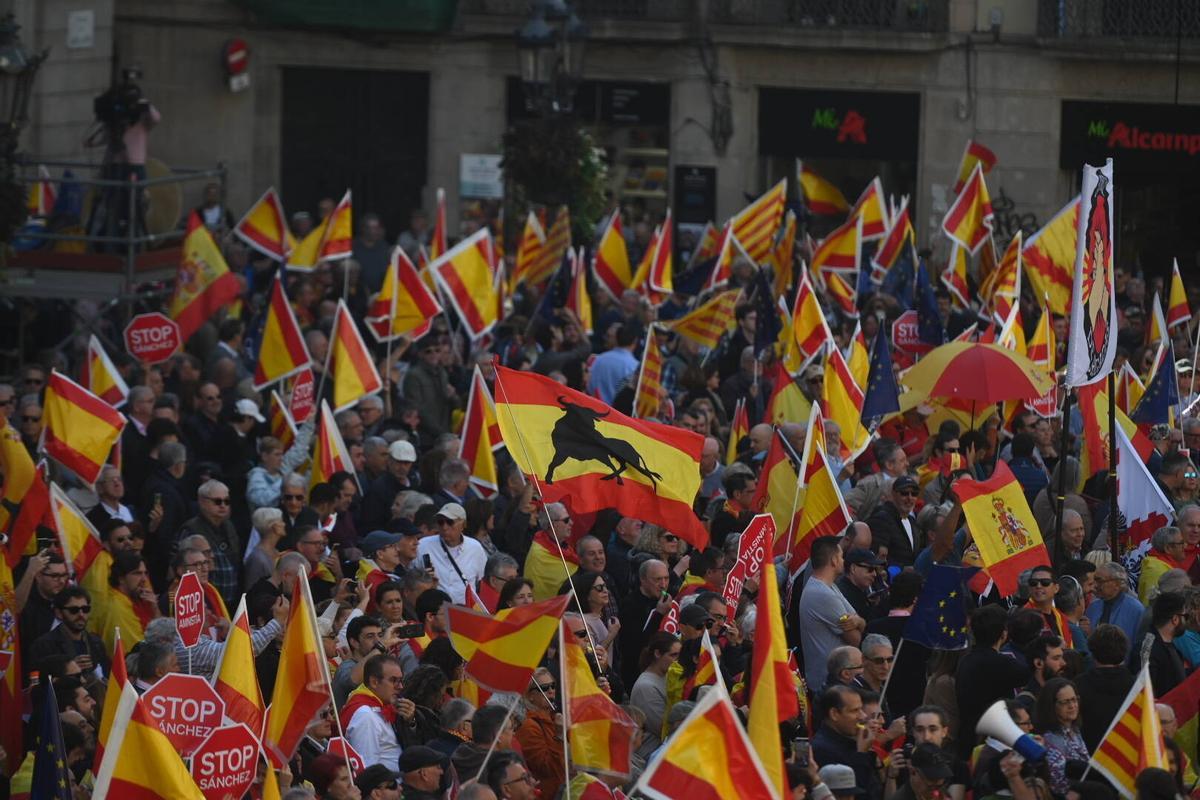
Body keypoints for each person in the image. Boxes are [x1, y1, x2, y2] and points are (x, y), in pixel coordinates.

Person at [954, 604, 1030, 759]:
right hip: (992, 743)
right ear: (1003, 634)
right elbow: (1028, 673)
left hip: (967, 736)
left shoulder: (966, 660)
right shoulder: (1000, 663)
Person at [798, 536, 865, 691]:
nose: (843, 561)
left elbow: (858, 619)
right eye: (841, 557)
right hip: (828, 685)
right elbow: (855, 639)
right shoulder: (822, 595)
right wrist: (859, 623)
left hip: (836, 682)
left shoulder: (830, 587)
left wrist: (859, 622)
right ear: (834, 560)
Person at [340, 654, 413, 772]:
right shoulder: (365, 715)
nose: (400, 686)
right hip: (386, 787)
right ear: (374, 682)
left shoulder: (381, 706)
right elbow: (367, 767)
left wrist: (411, 721)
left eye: (401, 681)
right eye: (393, 680)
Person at [1074, 623, 1134, 752]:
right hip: (1125, 757)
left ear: (1093, 651)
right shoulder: (1137, 687)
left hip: (1090, 757)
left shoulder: (1078, 685)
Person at [811, 684, 879, 797]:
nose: (862, 716)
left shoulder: (850, 740)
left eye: (861, 709)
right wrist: (861, 753)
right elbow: (858, 793)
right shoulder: (822, 750)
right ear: (834, 714)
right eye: (855, 711)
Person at [29, 586, 109, 679]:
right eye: (73, 610)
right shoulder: (44, 645)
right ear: (59, 613)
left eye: (85, 609)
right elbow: (39, 685)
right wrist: (69, 669)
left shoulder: (97, 643)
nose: (81, 615)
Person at [617, 559, 674, 688]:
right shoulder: (630, 605)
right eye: (657, 579)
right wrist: (659, 614)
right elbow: (635, 646)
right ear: (642, 580)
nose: (663, 584)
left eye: (666, 578)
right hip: (638, 675)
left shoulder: (665, 600)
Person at [417, 502, 487, 605]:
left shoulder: (475, 548)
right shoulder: (423, 545)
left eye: (450, 522)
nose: (444, 527)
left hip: (464, 611)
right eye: (440, 522)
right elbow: (411, 577)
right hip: (435, 611)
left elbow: (482, 582)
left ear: (463, 525)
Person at [515, 667, 565, 800]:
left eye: (553, 686)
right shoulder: (529, 726)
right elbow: (546, 768)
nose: (551, 691)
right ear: (530, 696)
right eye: (544, 688)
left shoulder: (556, 719)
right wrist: (559, 736)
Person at [1035, 677, 1088, 797]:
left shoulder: (1074, 729)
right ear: (1051, 706)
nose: (1072, 705)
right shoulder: (1050, 739)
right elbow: (1059, 786)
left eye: (1074, 699)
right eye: (1065, 702)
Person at [629, 632, 680, 755]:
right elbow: (663, 728)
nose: (677, 660)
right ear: (657, 654)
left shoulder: (668, 676)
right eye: (673, 655)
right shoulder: (645, 687)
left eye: (679, 655)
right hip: (651, 755)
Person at [1084, 561, 1143, 658]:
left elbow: (1137, 648)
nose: (1095, 585)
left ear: (1117, 584)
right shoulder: (1093, 607)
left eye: (1100, 581)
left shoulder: (1136, 609)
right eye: (1095, 580)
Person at [523, 502, 577, 602]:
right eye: (566, 520)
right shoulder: (538, 554)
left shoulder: (565, 546)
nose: (571, 523)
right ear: (552, 524)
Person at [1139, 590, 1187, 696]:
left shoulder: (1168, 645)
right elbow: (1145, 692)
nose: (1186, 622)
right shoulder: (1148, 649)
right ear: (1175, 619)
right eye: (1185, 616)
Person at [868, 475, 921, 567]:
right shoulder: (882, 518)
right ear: (893, 494)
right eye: (904, 493)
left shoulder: (913, 522)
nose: (910, 498)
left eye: (914, 494)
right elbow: (877, 556)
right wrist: (901, 569)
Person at [1137, 526, 1188, 604]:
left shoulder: (1161, 566)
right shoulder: (1156, 571)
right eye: (1181, 543)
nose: (1185, 546)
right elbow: (1151, 607)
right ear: (1168, 548)